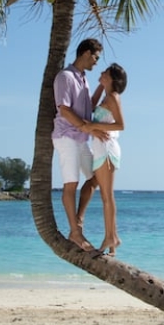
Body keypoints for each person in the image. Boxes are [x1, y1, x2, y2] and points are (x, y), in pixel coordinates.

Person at [52, 38, 103, 250]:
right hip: (66, 137)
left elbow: (88, 107)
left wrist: (101, 86)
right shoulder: (65, 76)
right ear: (85, 53)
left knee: (96, 178)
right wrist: (84, 126)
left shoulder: (83, 79)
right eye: (95, 57)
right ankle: (74, 232)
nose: (96, 62)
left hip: (81, 138)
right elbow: (63, 109)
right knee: (70, 185)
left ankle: (78, 221)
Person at [87, 62, 127, 255]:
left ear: (112, 79)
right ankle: (113, 241)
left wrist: (97, 128)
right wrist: (101, 84)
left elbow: (120, 125)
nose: (100, 73)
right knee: (105, 196)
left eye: (105, 73)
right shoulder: (106, 95)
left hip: (107, 149)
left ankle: (110, 237)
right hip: (100, 149)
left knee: (106, 197)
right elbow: (91, 107)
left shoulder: (113, 97)